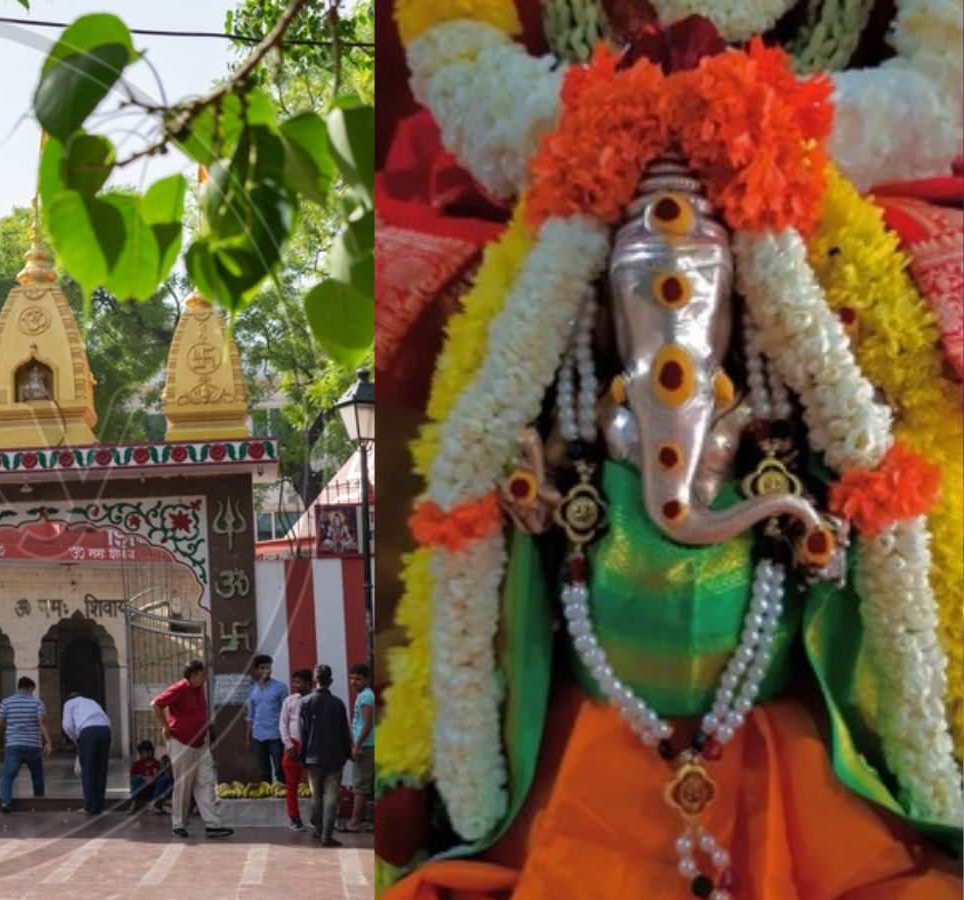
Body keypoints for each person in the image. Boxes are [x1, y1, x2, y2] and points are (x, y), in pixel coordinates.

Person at [376, 2, 964, 896]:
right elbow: (462, 63)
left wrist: (775, 130)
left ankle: (927, 733)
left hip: (815, 180)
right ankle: (439, 766)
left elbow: (938, 85)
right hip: (565, 172)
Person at [152, 659, 233, 839]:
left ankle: (213, 824)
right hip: (181, 742)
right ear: (193, 675)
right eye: (202, 674)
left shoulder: (199, 688)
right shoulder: (179, 688)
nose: (205, 677)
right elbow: (156, 704)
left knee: (206, 782)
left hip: (200, 743)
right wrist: (165, 726)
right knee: (183, 784)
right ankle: (178, 823)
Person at [300, 664, 353, 848]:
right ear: (330, 681)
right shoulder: (338, 704)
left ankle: (318, 829)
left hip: (313, 756)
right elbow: (344, 732)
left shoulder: (305, 702)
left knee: (316, 796)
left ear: (314, 680)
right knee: (331, 797)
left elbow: (303, 732)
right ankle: (327, 835)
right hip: (335, 757)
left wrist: (302, 756)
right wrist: (348, 753)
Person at [0, 676, 51, 813]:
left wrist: (5, 734)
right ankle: (39, 802)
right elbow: (42, 722)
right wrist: (48, 741)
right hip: (33, 745)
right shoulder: (37, 703)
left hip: (13, 745)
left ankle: (5, 802)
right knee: (37, 776)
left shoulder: (6, 702)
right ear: (30, 688)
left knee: (8, 776)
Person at [62, 691, 112, 816]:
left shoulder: (69, 704)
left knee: (88, 770)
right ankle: (98, 805)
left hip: (88, 731)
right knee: (101, 769)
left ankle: (89, 806)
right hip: (105, 730)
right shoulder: (91, 701)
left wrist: (77, 739)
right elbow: (105, 718)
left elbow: (67, 726)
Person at [279, 668, 313, 831]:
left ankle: (317, 817)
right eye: (294, 682)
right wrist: (289, 745)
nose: (295, 685)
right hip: (294, 745)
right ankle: (294, 817)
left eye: (298, 682)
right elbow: (283, 724)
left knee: (316, 784)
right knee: (292, 784)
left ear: (308, 683)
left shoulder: (315, 700)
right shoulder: (290, 701)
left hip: (312, 746)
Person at [245, 654, 287, 784]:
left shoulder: (280, 687)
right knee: (264, 771)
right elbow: (250, 715)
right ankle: (267, 794)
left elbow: (286, 713)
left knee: (280, 770)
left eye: (268, 667)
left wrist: (287, 736)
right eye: (262, 668)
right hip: (258, 736)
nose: (266, 671)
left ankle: (282, 793)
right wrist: (248, 738)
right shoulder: (252, 689)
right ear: (256, 670)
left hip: (276, 735)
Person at [345, 663, 374, 832]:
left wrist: (357, 745)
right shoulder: (364, 695)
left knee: (360, 785)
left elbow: (368, 723)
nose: (354, 682)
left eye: (358, 679)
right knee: (363, 783)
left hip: (366, 745)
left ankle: (354, 821)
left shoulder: (366, 696)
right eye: (351, 678)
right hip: (365, 744)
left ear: (366, 679)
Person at [129, 739, 172, 815]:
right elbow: (132, 780)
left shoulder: (158, 764)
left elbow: (164, 779)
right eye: (139, 753)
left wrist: (153, 779)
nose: (140, 756)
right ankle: (134, 803)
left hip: (154, 791)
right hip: (142, 790)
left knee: (162, 780)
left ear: (150, 752)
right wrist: (143, 778)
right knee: (137, 778)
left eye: (142, 753)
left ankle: (153, 803)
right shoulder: (137, 765)